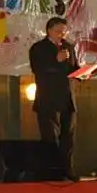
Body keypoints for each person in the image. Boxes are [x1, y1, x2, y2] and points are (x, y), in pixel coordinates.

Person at [29, 16, 80, 180]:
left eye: (64, 32)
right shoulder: (38, 48)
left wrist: (83, 73)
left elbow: (73, 68)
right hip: (48, 98)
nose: (61, 35)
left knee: (68, 137)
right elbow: (38, 69)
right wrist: (55, 60)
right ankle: (51, 171)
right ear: (49, 30)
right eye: (58, 32)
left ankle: (68, 170)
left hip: (67, 97)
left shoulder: (69, 47)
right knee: (50, 138)